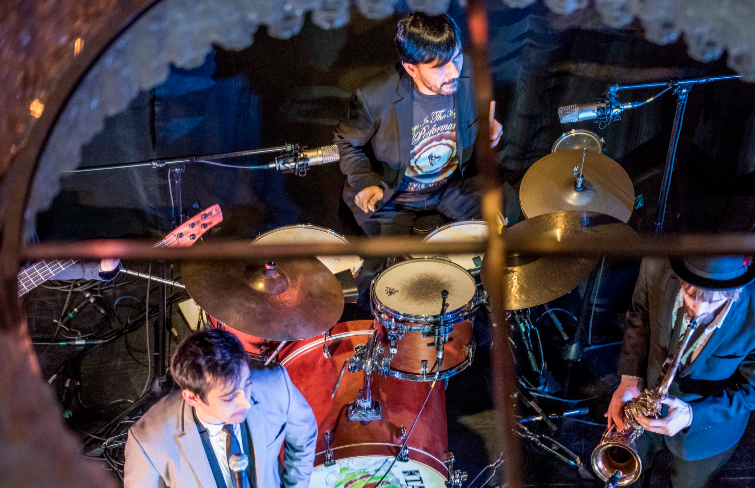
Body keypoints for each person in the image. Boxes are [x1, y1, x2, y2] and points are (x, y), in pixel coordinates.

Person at [333, 12, 514, 310]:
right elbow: (345, 142)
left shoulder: (468, 73)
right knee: (383, 273)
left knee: (508, 221)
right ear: (411, 68)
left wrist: (490, 129)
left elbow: (479, 118)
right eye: (440, 67)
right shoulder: (375, 97)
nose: (453, 72)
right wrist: (364, 182)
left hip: (450, 186)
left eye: (455, 58)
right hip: (394, 196)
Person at [606, 256, 755, 488]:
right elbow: (640, 314)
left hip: (705, 429)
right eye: (691, 294)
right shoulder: (654, 264)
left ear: (737, 291)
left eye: (714, 302)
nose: (698, 310)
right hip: (642, 407)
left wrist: (693, 416)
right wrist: (629, 379)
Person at [124, 329, 318, 488]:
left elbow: (304, 435)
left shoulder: (275, 384)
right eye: (229, 397)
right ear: (192, 398)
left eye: (246, 384)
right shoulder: (148, 443)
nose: (245, 403)